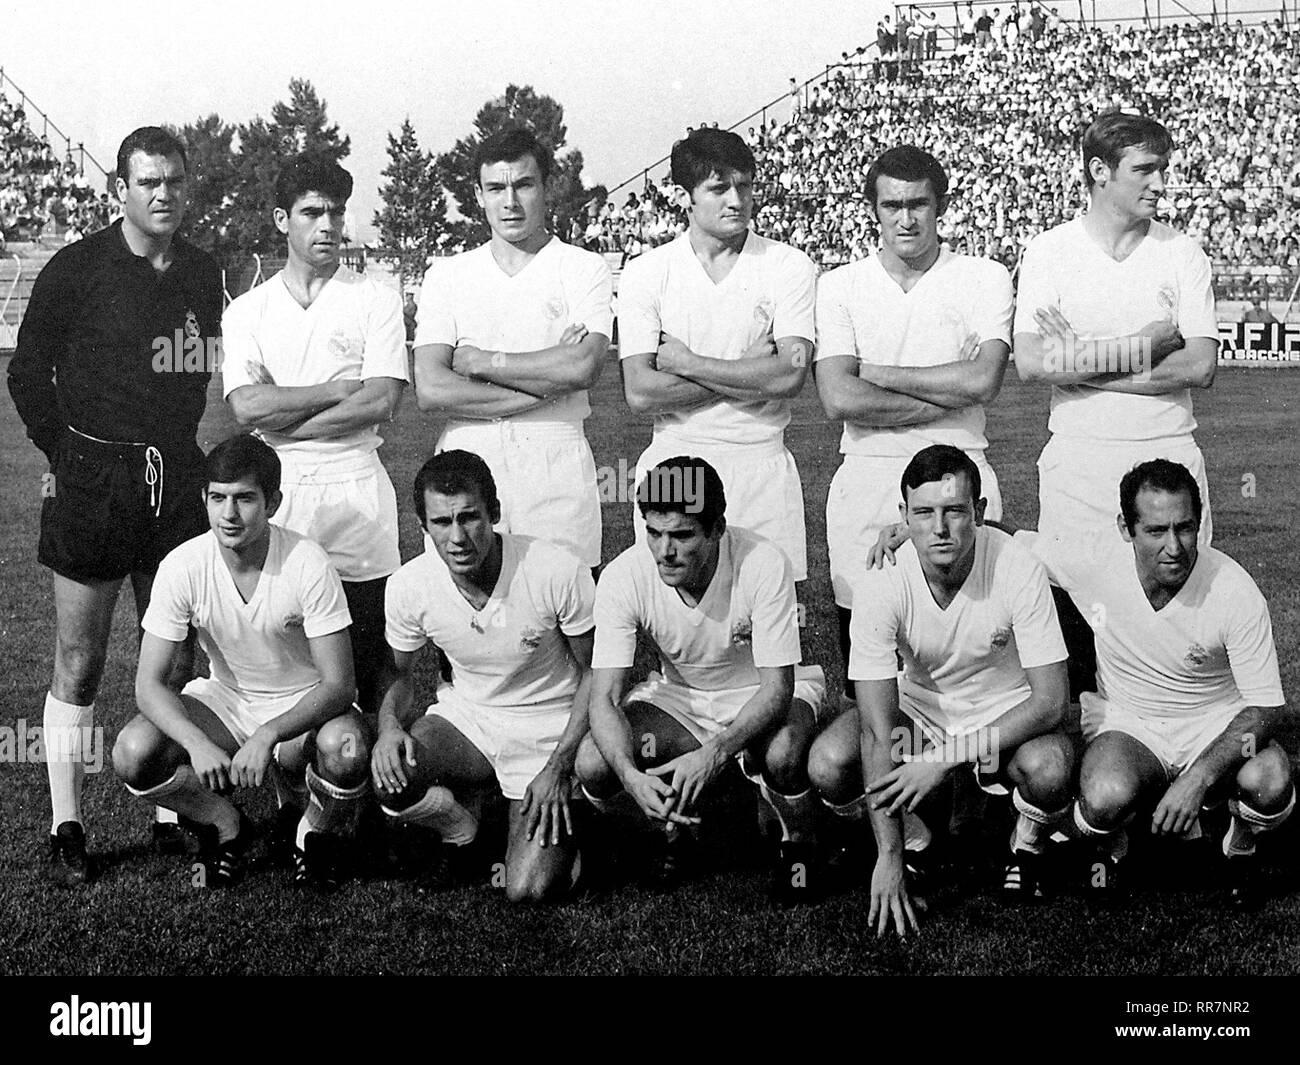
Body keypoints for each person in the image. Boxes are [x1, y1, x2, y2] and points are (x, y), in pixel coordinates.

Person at [7, 126, 224, 885]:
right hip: (92, 482)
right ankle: (68, 822)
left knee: (174, 652)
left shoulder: (203, 271)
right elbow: (27, 373)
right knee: (81, 658)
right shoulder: (76, 268)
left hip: (176, 480)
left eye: (173, 182)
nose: (162, 195)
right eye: (147, 183)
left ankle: (173, 809)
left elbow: (201, 368)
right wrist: (64, 453)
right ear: (119, 190)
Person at [809, 446, 1072, 934]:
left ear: (981, 511)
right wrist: (886, 855)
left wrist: (945, 758)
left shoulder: (1017, 565)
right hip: (923, 712)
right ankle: (914, 841)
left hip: (1005, 709)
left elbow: (1051, 701)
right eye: (924, 513)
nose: (940, 527)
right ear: (903, 516)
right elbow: (875, 726)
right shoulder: (883, 578)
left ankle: (1026, 844)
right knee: (829, 762)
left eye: (954, 511)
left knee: (1051, 768)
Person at [1017, 459, 1293, 907]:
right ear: (1125, 528)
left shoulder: (1235, 591)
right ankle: (1116, 842)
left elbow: (1265, 706)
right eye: (1155, 530)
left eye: (1185, 528)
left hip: (1213, 720)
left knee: (1271, 779)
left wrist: (1200, 777)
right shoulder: (1094, 563)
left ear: (1199, 524)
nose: (1174, 547)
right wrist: (910, 531)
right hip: (1131, 723)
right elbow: (1007, 538)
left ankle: (1240, 844)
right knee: (1104, 797)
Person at [111, 435, 370, 891]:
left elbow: (338, 685)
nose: (229, 514)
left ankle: (312, 833)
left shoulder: (307, 561)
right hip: (227, 701)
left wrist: (269, 735)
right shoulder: (183, 564)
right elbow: (148, 685)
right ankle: (226, 824)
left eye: (245, 498)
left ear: (273, 502)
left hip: (302, 703)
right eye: (218, 498)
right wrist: (196, 743)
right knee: (133, 753)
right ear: (205, 500)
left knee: (346, 749)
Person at [576, 457, 826, 905]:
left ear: (717, 528)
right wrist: (632, 778)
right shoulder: (624, 575)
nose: (664, 551)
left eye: (682, 535)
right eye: (654, 532)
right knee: (595, 762)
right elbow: (605, 698)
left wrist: (714, 754)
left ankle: (800, 843)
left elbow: (777, 689)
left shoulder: (763, 561)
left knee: (785, 753)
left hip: (760, 692)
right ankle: (668, 832)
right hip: (682, 699)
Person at [815, 145, 1012, 705]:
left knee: (973, 653)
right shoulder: (840, 285)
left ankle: (971, 778)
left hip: (960, 476)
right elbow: (837, 397)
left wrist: (875, 373)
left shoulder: (983, 277)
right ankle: (882, 783)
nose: (907, 218)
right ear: (873, 209)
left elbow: (984, 382)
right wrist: (946, 393)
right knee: (870, 668)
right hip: (866, 476)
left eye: (919, 203)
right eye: (893, 204)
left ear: (940, 206)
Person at [221, 153, 408, 725]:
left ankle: (383, 788)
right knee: (288, 644)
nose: (328, 225)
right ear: (282, 219)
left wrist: (280, 421)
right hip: (282, 490)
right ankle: (299, 794)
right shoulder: (249, 310)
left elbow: (381, 400)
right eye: (312, 213)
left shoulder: (374, 294)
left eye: (336, 212)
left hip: (356, 487)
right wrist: (332, 392)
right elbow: (244, 406)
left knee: (372, 646)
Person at [372, 450, 594, 903]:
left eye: (469, 518)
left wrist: (560, 765)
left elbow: (598, 674)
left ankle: (582, 815)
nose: (457, 537)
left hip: (551, 726)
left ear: (494, 513)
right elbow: (397, 671)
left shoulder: (553, 568)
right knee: (392, 777)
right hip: (471, 718)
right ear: (423, 526)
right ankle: (462, 828)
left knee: (526, 891)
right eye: (441, 522)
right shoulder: (409, 585)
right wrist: (389, 728)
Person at [1014, 112, 1219, 556]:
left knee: (1175, 615)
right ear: (1099, 172)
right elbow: (1032, 363)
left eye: (1163, 169)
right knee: (1074, 611)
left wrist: (1078, 363)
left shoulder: (1182, 254)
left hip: (1168, 454)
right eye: (1145, 170)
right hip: (1079, 458)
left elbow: (1200, 366)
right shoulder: (1050, 251)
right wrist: (1143, 347)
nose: (1161, 184)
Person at [618, 128, 817, 581]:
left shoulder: (789, 266)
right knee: (677, 625)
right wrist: (749, 370)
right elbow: (642, 393)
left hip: (760, 461)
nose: (737, 200)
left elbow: (789, 376)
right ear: (685, 196)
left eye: (744, 186)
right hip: (675, 461)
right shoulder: (646, 273)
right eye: (718, 188)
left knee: (767, 623)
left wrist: (688, 363)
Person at [411, 127, 613, 572]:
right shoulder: (448, 275)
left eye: (524, 184)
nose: (511, 202)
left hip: (555, 458)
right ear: (478, 194)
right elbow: (431, 387)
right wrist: (548, 380)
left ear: (546, 187)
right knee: (466, 616)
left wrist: (483, 363)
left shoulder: (583, 268)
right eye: (497, 188)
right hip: (467, 460)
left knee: (567, 610)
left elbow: (582, 366)